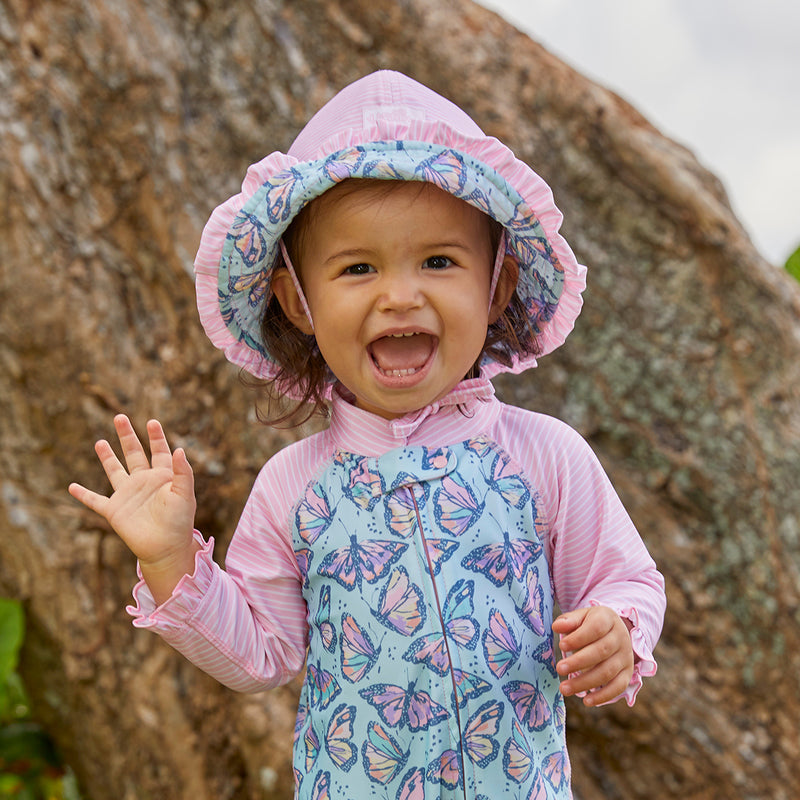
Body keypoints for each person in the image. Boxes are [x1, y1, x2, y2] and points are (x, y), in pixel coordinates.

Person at [69, 70, 666, 799]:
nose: (399, 294)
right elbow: (261, 653)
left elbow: (627, 578)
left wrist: (619, 628)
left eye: (439, 261)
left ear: (496, 287)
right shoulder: (296, 486)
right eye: (357, 268)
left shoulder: (543, 458)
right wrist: (168, 560)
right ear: (299, 303)